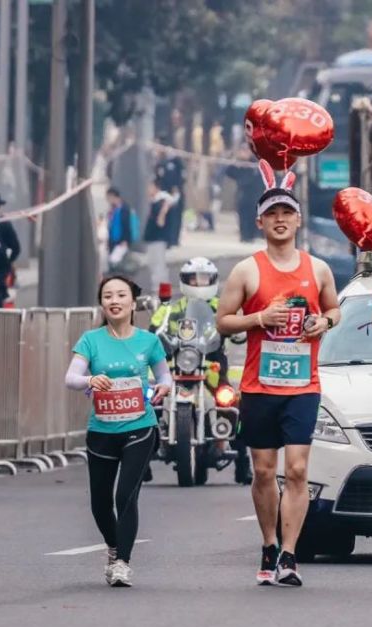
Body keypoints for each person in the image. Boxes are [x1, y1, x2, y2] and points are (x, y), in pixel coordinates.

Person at [216, 161, 341, 586]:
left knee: (299, 470)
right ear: (260, 221)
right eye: (273, 214)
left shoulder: (317, 268)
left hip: (303, 386)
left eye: (287, 213)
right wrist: (258, 318)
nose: (281, 220)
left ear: (298, 219)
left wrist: (324, 323)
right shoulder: (247, 270)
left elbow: (334, 309)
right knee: (265, 471)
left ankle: (290, 555)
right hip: (259, 386)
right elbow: (223, 321)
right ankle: (268, 543)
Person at [65, 276, 172, 587]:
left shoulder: (148, 341)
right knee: (100, 501)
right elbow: (71, 376)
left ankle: (123, 562)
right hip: (102, 431)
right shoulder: (91, 339)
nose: (114, 300)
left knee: (126, 494)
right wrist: (89, 380)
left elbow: (164, 375)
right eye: (108, 295)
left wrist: (163, 386)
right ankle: (113, 547)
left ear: (132, 303)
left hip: (140, 426)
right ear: (102, 303)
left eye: (121, 295)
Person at [151, 257, 250, 483]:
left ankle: (243, 463)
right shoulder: (172, 308)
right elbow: (157, 325)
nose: (198, 283)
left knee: (234, 403)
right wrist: (154, 333)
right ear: (185, 281)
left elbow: (236, 325)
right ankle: (145, 457)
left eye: (203, 279)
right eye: (193, 279)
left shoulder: (221, 305)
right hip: (177, 364)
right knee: (150, 400)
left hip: (212, 365)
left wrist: (238, 328)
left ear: (213, 281)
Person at [224, 144, 264, 242]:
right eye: (242, 151)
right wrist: (234, 160)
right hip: (242, 194)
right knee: (242, 215)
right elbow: (229, 172)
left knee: (253, 216)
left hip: (254, 195)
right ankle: (244, 236)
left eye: (246, 151)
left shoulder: (255, 163)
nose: (244, 153)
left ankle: (252, 235)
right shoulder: (239, 164)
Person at [143, 180, 176, 294]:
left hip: (158, 239)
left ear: (156, 187)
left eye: (150, 187)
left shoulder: (161, 202)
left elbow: (160, 222)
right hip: (153, 239)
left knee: (158, 266)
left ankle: (161, 291)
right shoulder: (155, 202)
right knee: (154, 265)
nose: (148, 190)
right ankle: (160, 290)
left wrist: (164, 210)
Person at [106, 187, 140, 274]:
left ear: (113, 196)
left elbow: (126, 226)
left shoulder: (125, 209)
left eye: (109, 198)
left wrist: (125, 240)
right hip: (114, 240)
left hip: (121, 241)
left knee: (116, 263)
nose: (108, 200)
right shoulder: (113, 209)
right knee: (115, 262)